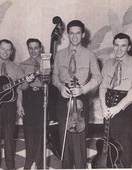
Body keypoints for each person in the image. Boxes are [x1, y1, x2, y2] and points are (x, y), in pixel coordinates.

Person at [52, 20, 102, 168]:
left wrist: (83, 89)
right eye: (71, 33)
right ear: (67, 34)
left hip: (81, 98)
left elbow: (98, 77)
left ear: (83, 35)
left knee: (79, 137)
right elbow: (54, 76)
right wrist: (61, 87)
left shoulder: (90, 55)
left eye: (78, 33)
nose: (74, 37)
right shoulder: (60, 55)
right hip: (63, 97)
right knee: (64, 137)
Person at [0, 39, 24, 170]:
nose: (5, 52)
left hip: (10, 106)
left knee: (9, 139)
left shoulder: (17, 67)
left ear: (12, 51)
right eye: (2, 49)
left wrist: (20, 106)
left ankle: (10, 167)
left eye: (8, 49)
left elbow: (21, 88)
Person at [99, 33, 132, 168]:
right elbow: (102, 87)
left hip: (125, 107)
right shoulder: (108, 63)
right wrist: (103, 106)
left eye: (123, 46)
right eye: (116, 45)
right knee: (109, 142)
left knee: (124, 144)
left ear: (129, 47)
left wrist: (117, 108)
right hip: (108, 106)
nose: (119, 49)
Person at [19, 38, 44, 169]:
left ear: (40, 48)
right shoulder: (22, 65)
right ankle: (29, 160)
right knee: (28, 130)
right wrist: (27, 82)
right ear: (27, 48)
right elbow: (22, 88)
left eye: (36, 48)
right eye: (30, 48)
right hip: (29, 97)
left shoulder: (47, 63)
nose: (33, 51)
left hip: (42, 96)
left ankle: (40, 163)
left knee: (40, 131)